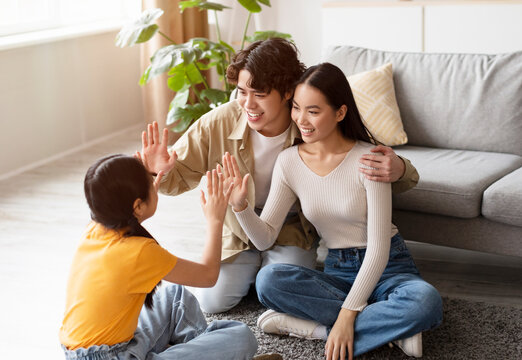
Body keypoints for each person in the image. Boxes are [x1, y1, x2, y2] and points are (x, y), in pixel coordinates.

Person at [139, 37, 420, 314]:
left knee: (275, 289)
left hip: (290, 230)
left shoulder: (310, 121)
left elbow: (359, 150)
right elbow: (176, 180)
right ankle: (251, 272)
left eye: (259, 94)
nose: (248, 103)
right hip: (238, 229)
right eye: (242, 91)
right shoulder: (219, 122)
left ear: (286, 92)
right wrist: (157, 170)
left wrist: (400, 169)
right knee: (213, 301)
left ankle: (264, 277)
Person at [222, 63, 443, 360]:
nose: (302, 119)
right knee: (268, 280)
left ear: (340, 113)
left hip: (389, 266)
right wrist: (240, 206)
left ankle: (318, 331)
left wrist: (345, 318)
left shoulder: (369, 158)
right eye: (297, 108)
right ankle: (394, 329)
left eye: (313, 111)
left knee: (425, 302)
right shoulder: (288, 162)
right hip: (339, 270)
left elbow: (378, 251)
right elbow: (264, 239)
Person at [58, 154, 258, 360]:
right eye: (150, 183)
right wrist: (215, 219)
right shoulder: (139, 252)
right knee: (243, 337)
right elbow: (208, 276)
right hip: (112, 356)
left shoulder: (96, 227)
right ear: (137, 206)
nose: (156, 186)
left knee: (175, 296)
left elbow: (117, 195)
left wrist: (148, 171)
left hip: (95, 350)